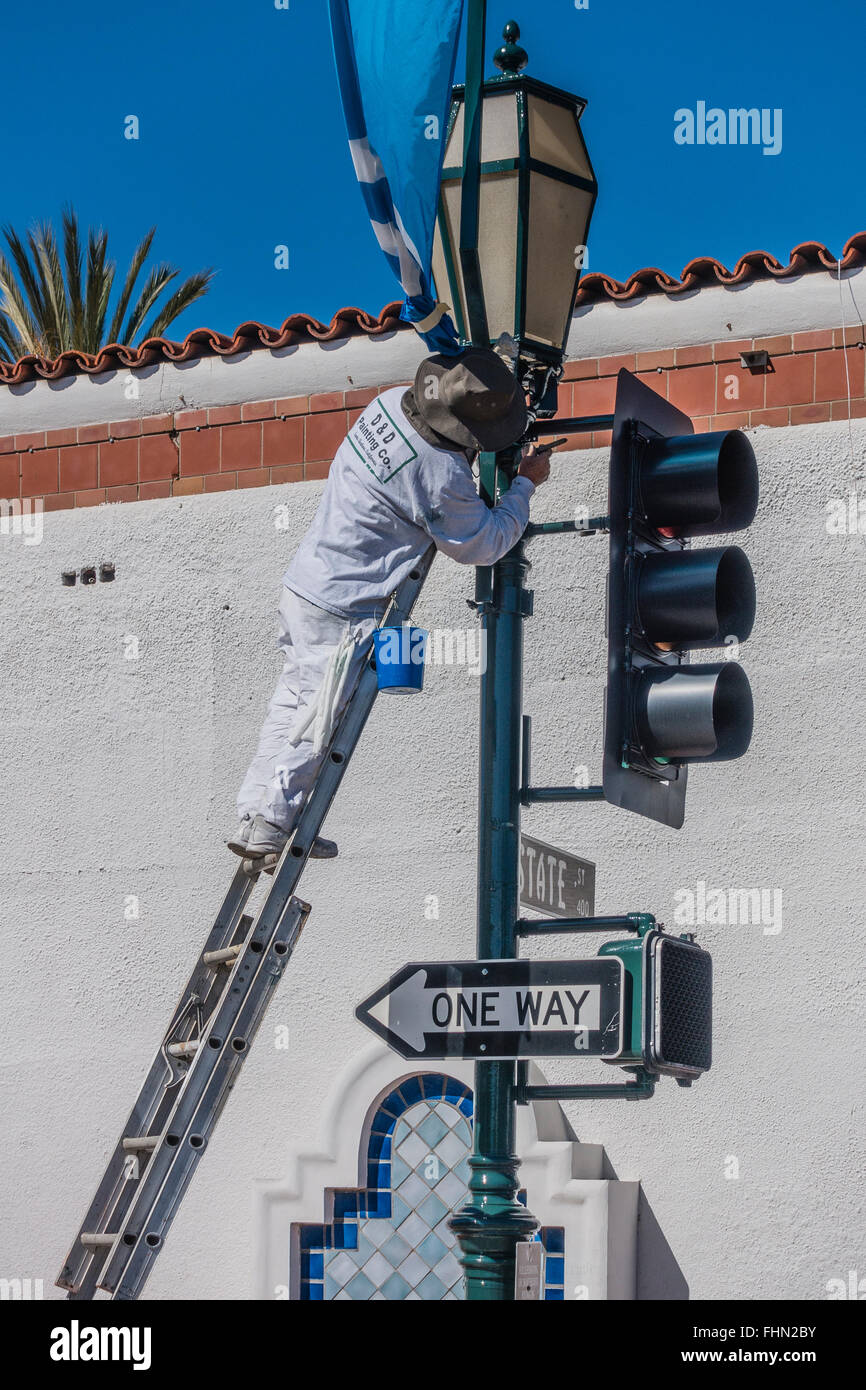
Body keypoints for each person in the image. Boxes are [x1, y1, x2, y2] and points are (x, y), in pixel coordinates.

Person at [229, 347, 553, 864]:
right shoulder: (441, 473)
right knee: (318, 717)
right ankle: (272, 825)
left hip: (306, 584)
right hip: (344, 607)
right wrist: (524, 487)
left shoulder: (384, 404)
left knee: (291, 702)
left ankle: (254, 814)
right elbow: (485, 543)